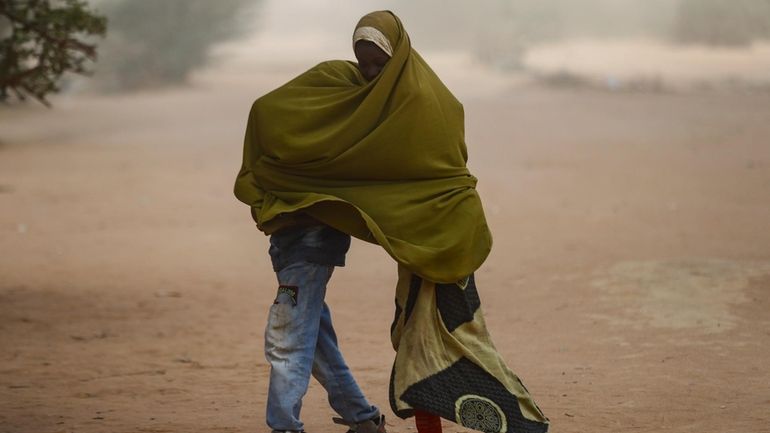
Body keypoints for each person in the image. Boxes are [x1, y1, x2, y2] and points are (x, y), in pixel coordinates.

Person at [235, 10, 549, 433]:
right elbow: (267, 112)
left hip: (403, 235)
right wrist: (299, 177)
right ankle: (363, 419)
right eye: (361, 62)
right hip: (292, 229)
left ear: (398, 54)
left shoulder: (421, 102)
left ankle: (283, 425)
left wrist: (441, 224)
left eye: (377, 64)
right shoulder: (335, 83)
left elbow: (441, 176)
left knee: (294, 331)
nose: (368, 73)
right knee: (311, 330)